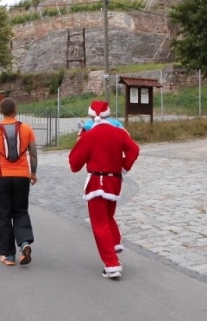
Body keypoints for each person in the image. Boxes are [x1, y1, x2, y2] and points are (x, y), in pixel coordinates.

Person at [69, 100, 140, 279]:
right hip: (115, 181)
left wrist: (81, 146)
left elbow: (74, 163)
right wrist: (123, 166)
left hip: (97, 182)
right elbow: (134, 149)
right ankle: (114, 243)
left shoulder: (90, 135)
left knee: (99, 223)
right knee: (108, 216)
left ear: (91, 116)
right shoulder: (119, 133)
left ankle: (111, 264)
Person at [0, 97, 38, 266]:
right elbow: (33, 153)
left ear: (1, 112)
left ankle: (8, 255)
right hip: (22, 177)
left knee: (4, 215)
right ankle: (24, 243)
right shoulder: (26, 128)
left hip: (2, 177)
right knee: (21, 211)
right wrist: (33, 173)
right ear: (15, 111)